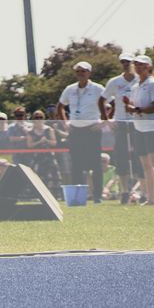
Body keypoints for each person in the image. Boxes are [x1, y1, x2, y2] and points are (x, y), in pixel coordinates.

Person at [123, 54, 154, 205]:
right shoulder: (135, 86)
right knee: (146, 165)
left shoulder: (153, 84)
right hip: (139, 128)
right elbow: (134, 106)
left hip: (153, 128)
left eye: (142, 65)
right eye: (137, 65)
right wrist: (130, 108)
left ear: (148, 67)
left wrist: (137, 109)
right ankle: (151, 199)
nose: (139, 67)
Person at [57, 61, 104, 204]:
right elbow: (60, 107)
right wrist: (65, 124)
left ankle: (97, 196)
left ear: (89, 73)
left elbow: (112, 104)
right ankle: (78, 197)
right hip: (76, 131)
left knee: (95, 164)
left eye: (83, 71)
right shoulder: (70, 89)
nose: (80, 74)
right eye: (78, 71)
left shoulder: (97, 88)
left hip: (92, 130)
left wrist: (103, 121)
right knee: (76, 165)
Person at [101, 59, 137, 203]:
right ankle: (124, 191)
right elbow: (102, 100)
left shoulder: (141, 80)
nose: (126, 64)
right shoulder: (115, 81)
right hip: (120, 123)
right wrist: (106, 120)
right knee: (121, 158)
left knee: (139, 157)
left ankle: (140, 191)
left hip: (137, 123)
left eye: (128, 62)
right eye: (123, 62)